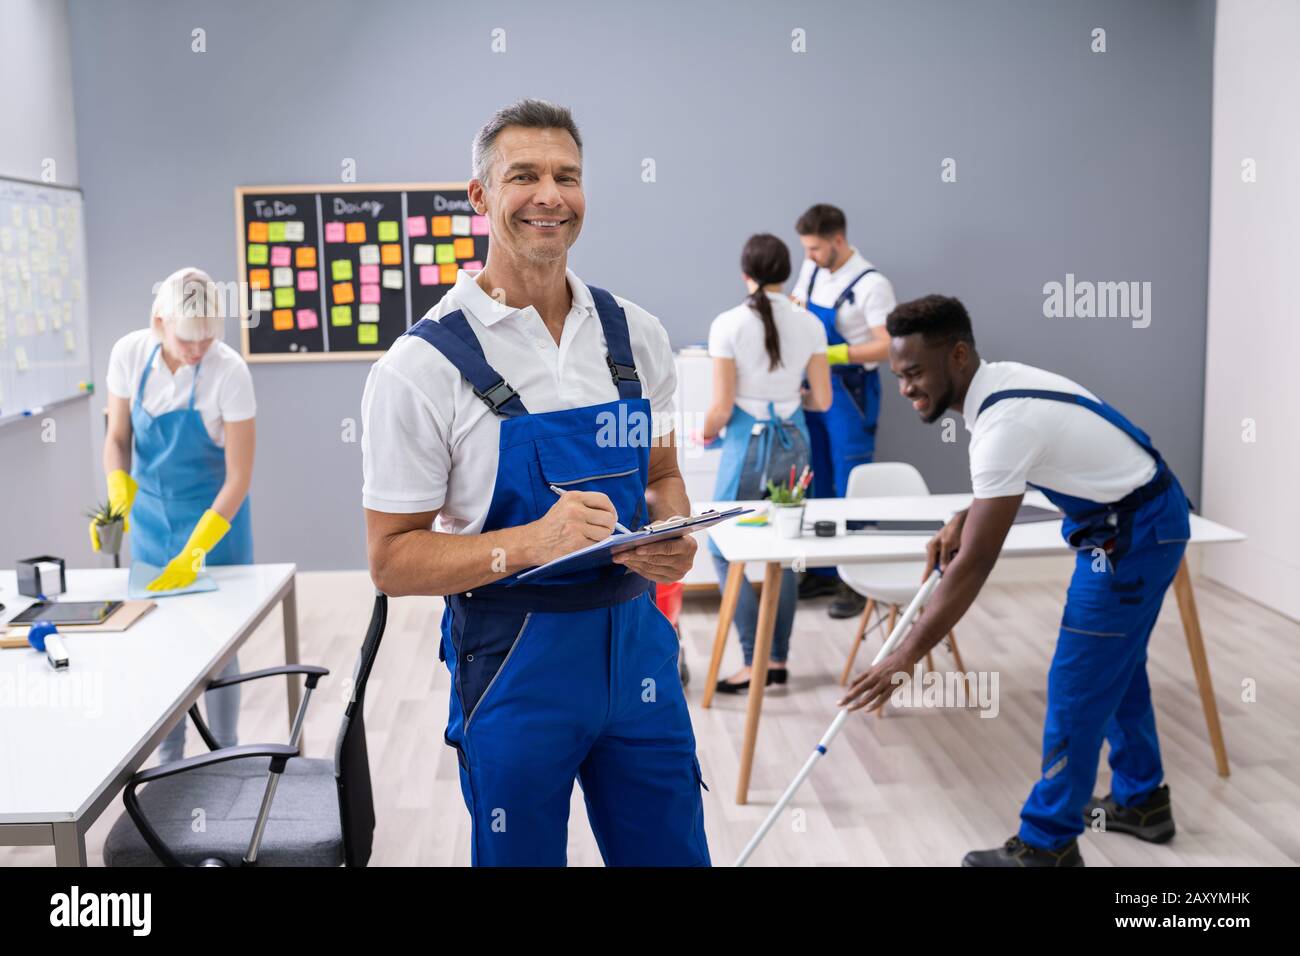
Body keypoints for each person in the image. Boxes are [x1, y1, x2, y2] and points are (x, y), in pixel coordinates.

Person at [361, 99, 709, 866]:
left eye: (567, 176)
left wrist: (673, 535)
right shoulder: (420, 369)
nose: (550, 195)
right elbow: (391, 560)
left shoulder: (634, 335)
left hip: (639, 652)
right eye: (524, 175)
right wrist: (529, 544)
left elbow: (662, 475)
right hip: (514, 664)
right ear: (481, 196)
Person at [840, 295, 1190, 867]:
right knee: (1116, 666)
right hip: (1142, 517)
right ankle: (1143, 801)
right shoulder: (1001, 387)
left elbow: (975, 565)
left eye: (914, 373)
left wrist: (903, 656)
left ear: (956, 355)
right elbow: (1009, 489)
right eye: (898, 376)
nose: (905, 389)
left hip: (1131, 535)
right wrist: (963, 518)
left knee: (1078, 681)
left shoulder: (1002, 423)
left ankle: (1047, 844)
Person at [102, 267, 256, 763]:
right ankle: (170, 757)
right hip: (150, 523)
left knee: (220, 642)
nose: (197, 350)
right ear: (160, 322)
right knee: (159, 639)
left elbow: (239, 476)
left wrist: (197, 548)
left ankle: (225, 752)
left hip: (216, 524)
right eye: (188, 339)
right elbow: (118, 438)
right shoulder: (129, 355)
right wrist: (116, 490)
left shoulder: (229, 371)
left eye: (208, 338)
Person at [702, 234, 831, 693]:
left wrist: (704, 431)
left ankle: (751, 659)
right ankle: (776, 659)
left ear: (746, 273)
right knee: (787, 549)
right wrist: (790, 395)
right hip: (795, 441)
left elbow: (720, 407)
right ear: (785, 273)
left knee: (722, 546)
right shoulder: (810, 323)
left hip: (747, 443)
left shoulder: (728, 324)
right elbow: (823, 401)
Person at [791, 203, 897, 619]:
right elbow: (799, 306)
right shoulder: (813, 269)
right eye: (806, 249)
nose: (810, 256)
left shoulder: (872, 284)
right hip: (815, 386)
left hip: (850, 391)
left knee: (849, 482)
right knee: (817, 476)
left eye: (816, 248)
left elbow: (887, 345)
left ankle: (855, 581)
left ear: (838, 240)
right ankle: (824, 570)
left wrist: (834, 352)